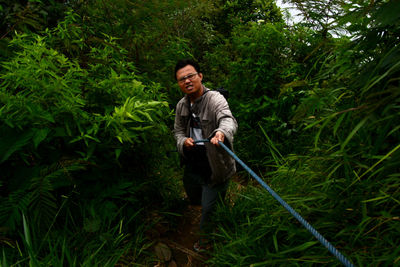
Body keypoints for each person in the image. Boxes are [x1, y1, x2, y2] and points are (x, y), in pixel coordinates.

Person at [173, 59, 238, 252]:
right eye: (182, 79)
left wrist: (221, 133)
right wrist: (183, 141)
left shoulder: (215, 99)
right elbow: (177, 131)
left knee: (209, 208)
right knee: (194, 196)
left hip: (216, 164)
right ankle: (215, 204)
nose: (187, 81)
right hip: (193, 162)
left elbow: (228, 119)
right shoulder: (181, 105)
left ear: (200, 76)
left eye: (190, 76)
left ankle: (204, 241)